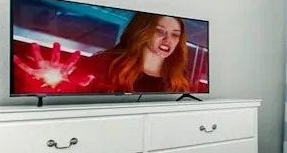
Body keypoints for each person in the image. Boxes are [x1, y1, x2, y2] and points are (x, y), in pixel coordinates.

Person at [13, 13, 192, 94]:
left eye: (175, 35)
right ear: (142, 31)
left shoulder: (179, 79)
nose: (168, 39)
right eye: (160, 31)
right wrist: (56, 86)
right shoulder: (104, 64)